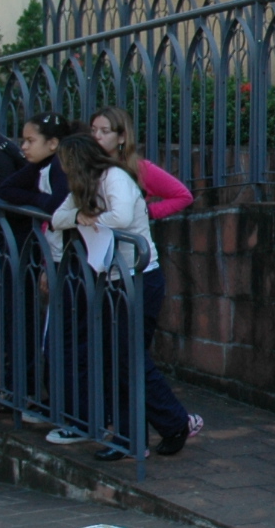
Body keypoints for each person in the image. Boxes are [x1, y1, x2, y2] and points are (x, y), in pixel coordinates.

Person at [48, 132, 199, 460]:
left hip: (140, 278)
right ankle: (137, 435)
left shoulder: (114, 177)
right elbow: (57, 218)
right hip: (112, 278)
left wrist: (89, 218)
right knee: (116, 358)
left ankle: (170, 423)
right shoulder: (84, 186)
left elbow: (121, 217)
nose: (62, 169)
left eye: (65, 163)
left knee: (129, 358)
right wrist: (78, 216)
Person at [85, 108, 193, 222]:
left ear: (121, 137)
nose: (96, 136)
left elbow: (183, 196)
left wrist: (147, 212)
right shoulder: (84, 164)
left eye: (105, 131)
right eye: (93, 130)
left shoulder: (140, 168)